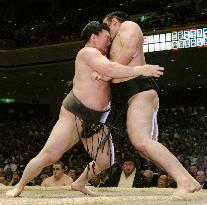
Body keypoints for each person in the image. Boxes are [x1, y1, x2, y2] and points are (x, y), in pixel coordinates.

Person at [6, 21, 163, 197]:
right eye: (106, 38)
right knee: (49, 155)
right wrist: (141, 69)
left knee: (106, 160)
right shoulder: (87, 52)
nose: (109, 42)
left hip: (97, 120)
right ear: (93, 37)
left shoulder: (103, 57)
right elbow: (111, 69)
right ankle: (19, 186)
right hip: (75, 114)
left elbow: (114, 69)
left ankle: (79, 183)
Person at [94, 11, 200, 193]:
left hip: (139, 90)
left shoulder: (128, 26)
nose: (105, 32)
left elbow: (129, 51)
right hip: (132, 95)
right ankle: (190, 180)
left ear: (113, 22)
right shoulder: (113, 44)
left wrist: (107, 72)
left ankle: (185, 181)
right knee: (145, 148)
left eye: (105, 26)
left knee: (141, 140)